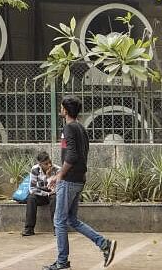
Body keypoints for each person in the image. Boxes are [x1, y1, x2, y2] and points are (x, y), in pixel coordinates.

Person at [45, 95, 116, 270]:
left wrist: (59, 175)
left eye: (62, 107)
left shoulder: (69, 128)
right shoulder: (81, 128)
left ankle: (62, 262)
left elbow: (72, 155)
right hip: (78, 179)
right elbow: (80, 154)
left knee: (59, 221)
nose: (60, 109)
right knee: (72, 219)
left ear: (66, 110)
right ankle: (103, 243)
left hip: (69, 181)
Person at [21, 151, 60, 236]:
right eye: (46, 164)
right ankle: (29, 229)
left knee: (55, 198)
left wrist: (49, 176)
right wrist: (46, 194)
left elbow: (58, 189)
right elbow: (32, 189)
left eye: (50, 162)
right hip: (41, 194)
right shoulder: (35, 169)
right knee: (31, 198)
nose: (49, 165)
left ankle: (57, 229)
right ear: (40, 164)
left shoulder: (57, 170)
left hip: (53, 194)